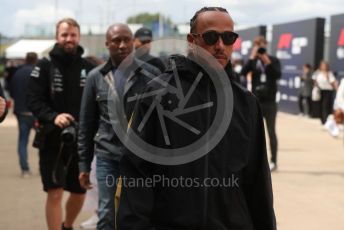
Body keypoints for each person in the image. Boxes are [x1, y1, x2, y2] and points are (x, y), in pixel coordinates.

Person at [117, 7, 276, 230]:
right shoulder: (157, 94)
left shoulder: (247, 103)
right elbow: (136, 173)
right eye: (211, 37)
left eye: (228, 37)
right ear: (191, 41)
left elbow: (258, 182)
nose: (220, 45)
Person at [78, 24, 160, 230]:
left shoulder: (151, 75)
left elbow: (161, 122)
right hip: (108, 157)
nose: (122, 45)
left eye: (126, 39)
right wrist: (83, 165)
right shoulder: (95, 78)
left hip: (142, 159)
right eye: (116, 40)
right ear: (107, 44)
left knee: (139, 212)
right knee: (107, 214)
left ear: (133, 42)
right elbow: (86, 125)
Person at [27, 18, 95, 230]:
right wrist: (53, 116)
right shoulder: (44, 66)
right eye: (64, 34)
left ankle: (67, 225)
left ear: (78, 36)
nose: (69, 39)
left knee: (79, 191)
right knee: (55, 192)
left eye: (73, 35)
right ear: (57, 37)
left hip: (82, 141)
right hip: (52, 139)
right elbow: (33, 100)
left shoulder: (89, 68)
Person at [241, 35, 281, 172]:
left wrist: (267, 61)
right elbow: (243, 72)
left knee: (271, 131)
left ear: (266, 45)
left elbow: (277, 75)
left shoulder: (273, 60)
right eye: (257, 45)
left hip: (270, 102)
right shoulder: (254, 61)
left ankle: (274, 161)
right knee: (252, 132)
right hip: (256, 101)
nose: (260, 47)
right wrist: (252, 57)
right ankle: (251, 162)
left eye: (262, 44)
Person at [8, 52, 38, 177]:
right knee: (44, 141)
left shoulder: (18, 73)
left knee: (23, 140)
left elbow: (11, 91)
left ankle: (25, 169)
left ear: (26, 59)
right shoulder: (38, 72)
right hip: (37, 113)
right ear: (36, 60)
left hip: (21, 111)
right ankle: (43, 167)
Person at [312, 60, 338, 125]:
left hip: (328, 91)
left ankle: (326, 120)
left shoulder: (329, 73)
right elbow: (314, 81)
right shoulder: (317, 72)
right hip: (320, 91)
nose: (324, 67)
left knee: (326, 106)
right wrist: (316, 87)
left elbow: (333, 83)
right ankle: (322, 119)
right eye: (323, 65)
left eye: (325, 65)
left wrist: (337, 90)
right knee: (320, 105)